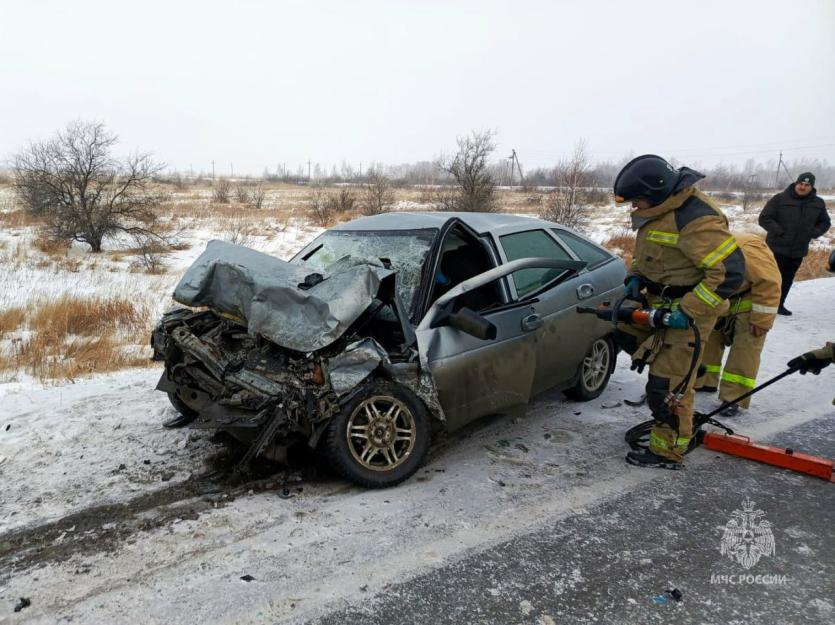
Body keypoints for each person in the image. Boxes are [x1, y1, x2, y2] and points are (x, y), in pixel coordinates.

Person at [613, 155, 745, 469]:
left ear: (656, 192)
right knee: (624, 332)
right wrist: (635, 277)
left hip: (690, 313)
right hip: (661, 305)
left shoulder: (696, 221)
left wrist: (687, 310)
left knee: (666, 388)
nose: (635, 206)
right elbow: (652, 255)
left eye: (638, 200)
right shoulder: (662, 212)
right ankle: (685, 372)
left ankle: (668, 450)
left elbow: (729, 274)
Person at [694, 233, 781, 416]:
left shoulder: (747, 251)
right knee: (708, 339)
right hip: (721, 297)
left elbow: (769, 283)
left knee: (745, 350)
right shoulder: (694, 250)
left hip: (751, 300)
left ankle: (733, 397)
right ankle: (705, 381)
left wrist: (762, 319)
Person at [758, 172, 831, 315]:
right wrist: (779, 231)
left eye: (807, 185)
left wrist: (813, 232)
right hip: (775, 247)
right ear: (796, 183)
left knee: (787, 279)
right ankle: (762, 307)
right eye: (801, 184)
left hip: (798, 250)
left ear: (812, 187)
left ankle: (779, 305)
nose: (803, 187)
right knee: (770, 278)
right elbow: (764, 218)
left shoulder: (818, 203)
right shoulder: (780, 198)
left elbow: (825, 222)